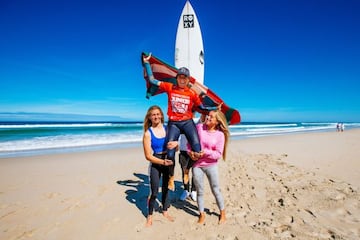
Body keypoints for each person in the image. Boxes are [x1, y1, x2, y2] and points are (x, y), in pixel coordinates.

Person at [143, 53, 218, 191]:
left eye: (185, 78)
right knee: (170, 152)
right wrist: (147, 63)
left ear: (188, 79)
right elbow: (153, 80)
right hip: (174, 123)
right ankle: (171, 176)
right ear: (177, 78)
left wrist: (214, 108)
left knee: (197, 148)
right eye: (180, 77)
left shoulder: (192, 93)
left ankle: (186, 171)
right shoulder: (170, 87)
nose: (182, 80)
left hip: (187, 122)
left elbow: (201, 108)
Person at [188, 110, 229, 224]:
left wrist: (205, 152)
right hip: (197, 165)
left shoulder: (220, 135)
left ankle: (222, 213)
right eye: (208, 115)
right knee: (200, 192)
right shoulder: (199, 127)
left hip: (211, 165)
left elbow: (218, 154)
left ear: (217, 121)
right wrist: (190, 152)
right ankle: (201, 214)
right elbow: (189, 143)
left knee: (216, 190)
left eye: (211, 117)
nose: (208, 118)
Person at [142, 105, 174, 227]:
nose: (155, 116)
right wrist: (162, 162)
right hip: (156, 161)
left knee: (166, 188)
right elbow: (148, 156)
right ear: (149, 117)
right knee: (154, 191)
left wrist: (175, 145)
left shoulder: (168, 129)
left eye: (157, 114)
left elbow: (175, 148)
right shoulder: (147, 133)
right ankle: (149, 215)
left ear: (161, 115)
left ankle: (165, 211)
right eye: (153, 115)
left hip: (168, 159)